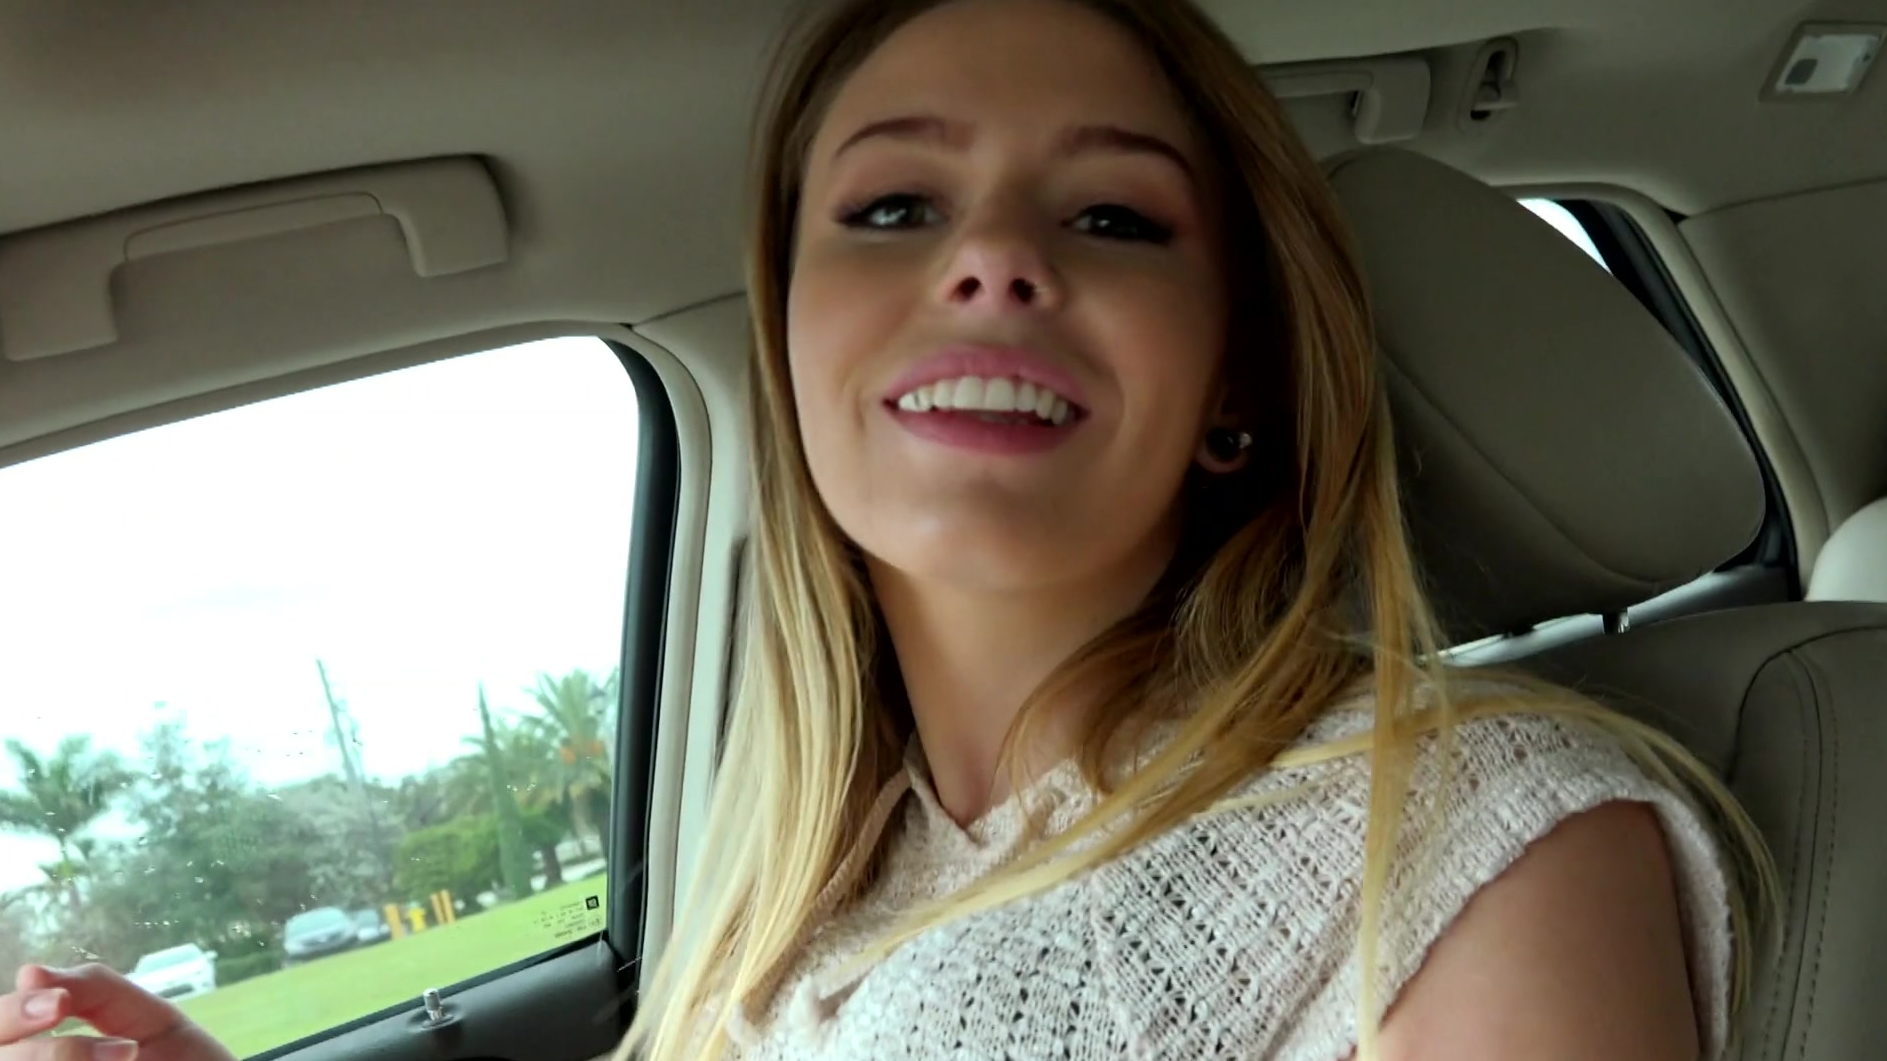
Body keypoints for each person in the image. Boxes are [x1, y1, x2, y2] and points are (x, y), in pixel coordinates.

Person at [0, 0, 1774, 1058]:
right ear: (792, 355)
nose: (992, 258)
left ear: (1233, 377)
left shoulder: (1482, 839)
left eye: (1114, 217)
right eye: (895, 206)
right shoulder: (794, 892)